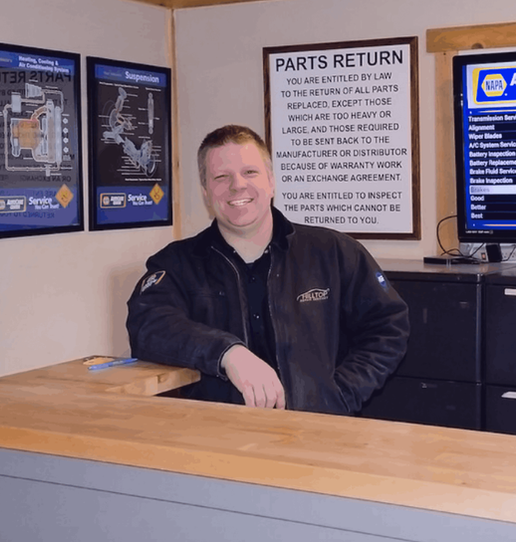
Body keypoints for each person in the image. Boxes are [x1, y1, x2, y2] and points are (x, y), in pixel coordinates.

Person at [125, 124, 409, 414]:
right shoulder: (176, 264)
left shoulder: (333, 252)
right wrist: (227, 353)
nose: (237, 186)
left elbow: (388, 326)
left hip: (316, 435)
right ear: (206, 193)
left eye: (250, 172)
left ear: (271, 182)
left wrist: (341, 394)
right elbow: (148, 325)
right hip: (217, 440)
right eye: (221, 177)